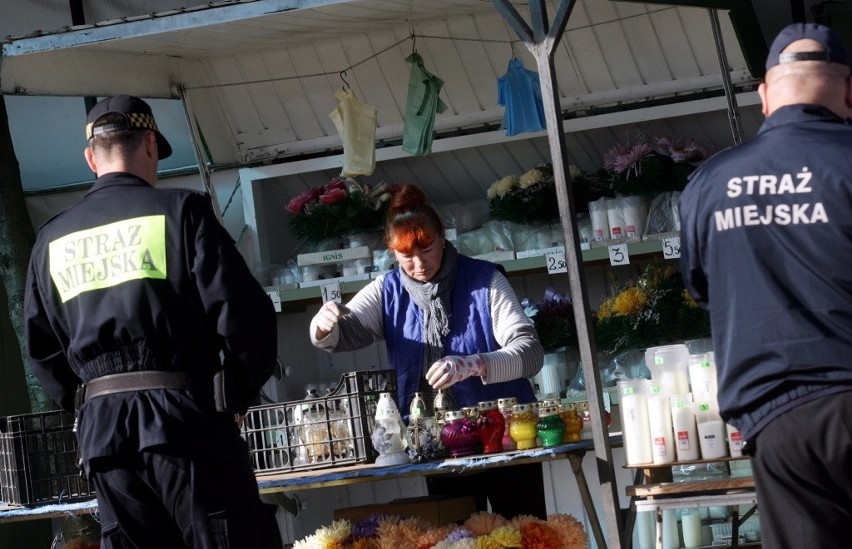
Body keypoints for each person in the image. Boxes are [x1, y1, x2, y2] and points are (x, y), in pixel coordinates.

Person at [24, 95, 282, 548]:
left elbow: (43, 352)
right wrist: (232, 396)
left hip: (105, 438)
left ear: (90, 158)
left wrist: (90, 404)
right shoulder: (182, 212)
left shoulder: (51, 239)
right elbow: (245, 318)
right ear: (148, 144)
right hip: (188, 423)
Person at [679, 23, 852, 548]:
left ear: (765, 96)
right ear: (848, 90)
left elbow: (702, 288)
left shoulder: (710, 183)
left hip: (778, 418)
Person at [310, 183, 547, 519]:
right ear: (391, 251)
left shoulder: (485, 280)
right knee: (456, 541)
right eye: (405, 255)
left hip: (507, 440)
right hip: (439, 446)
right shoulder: (386, 291)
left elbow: (531, 353)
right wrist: (321, 325)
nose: (418, 263)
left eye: (427, 249)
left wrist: (475, 363)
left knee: (526, 538)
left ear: (444, 237)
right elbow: (341, 337)